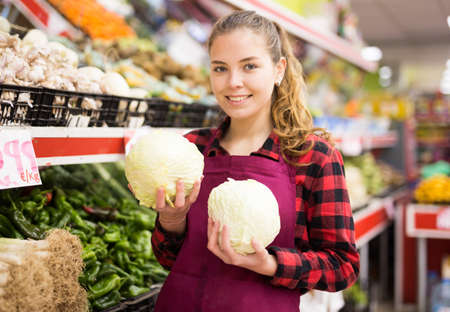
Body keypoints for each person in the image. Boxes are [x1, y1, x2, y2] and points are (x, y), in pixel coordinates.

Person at [150, 10, 360, 312]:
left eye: (249, 66)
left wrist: (273, 264)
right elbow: (169, 259)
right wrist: (171, 221)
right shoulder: (192, 148)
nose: (233, 82)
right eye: (220, 68)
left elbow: (343, 266)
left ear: (278, 70)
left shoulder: (313, 156)